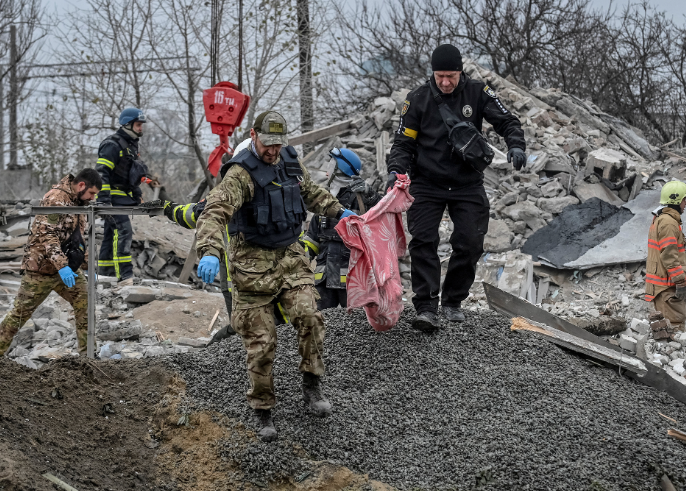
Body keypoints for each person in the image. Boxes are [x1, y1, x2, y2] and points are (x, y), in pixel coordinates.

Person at [195, 111, 356, 442]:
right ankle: (263, 409)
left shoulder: (290, 162)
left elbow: (312, 193)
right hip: (251, 267)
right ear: (254, 135)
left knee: (311, 316)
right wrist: (210, 251)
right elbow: (214, 212)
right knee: (263, 342)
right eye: (268, 144)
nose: (272, 151)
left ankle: (312, 385)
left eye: (278, 145)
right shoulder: (241, 174)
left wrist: (341, 213)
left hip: (290, 258)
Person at [387, 44, 526, 332]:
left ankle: (452, 301)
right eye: (440, 77)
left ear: (460, 72)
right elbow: (403, 144)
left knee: (470, 242)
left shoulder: (477, 92)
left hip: (467, 182)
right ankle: (425, 307)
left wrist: (516, 145)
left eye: (451, 76)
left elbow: (507, 120)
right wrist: (396, 171)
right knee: (424, 241)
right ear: (433, 74)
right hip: (427, 182)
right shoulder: (417, 100)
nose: (446, 82)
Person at [0, 170, 102, 356]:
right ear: (81, 186)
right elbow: (47, 235)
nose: (93, 198)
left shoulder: (79, 202)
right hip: (41, 269)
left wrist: (87, 267)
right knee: (19, 316)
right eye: (92, 193)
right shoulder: (55, 199)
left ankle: (89, 358)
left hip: (68, 270)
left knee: (85, 306)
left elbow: (77, 240)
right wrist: (62, 267)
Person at [302, 147, 382, 309]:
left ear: (341, 168)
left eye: (331, 162)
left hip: (353, 278)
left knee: (355, 325)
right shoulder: (324, 199)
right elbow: (313, 238)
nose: (328, 167)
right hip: (323, 278)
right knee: (321, 324)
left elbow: (383, 213)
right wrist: (299, 259)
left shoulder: (360, 198)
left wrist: (370, 194)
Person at [96, 107, 149, 286]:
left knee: (110, 234)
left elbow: (132, 175)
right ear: (127, 124)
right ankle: (124, 277)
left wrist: (138, 195)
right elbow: (101, 173)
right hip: (111, 197)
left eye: (141, 124)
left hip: (123, 197)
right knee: (123, 230)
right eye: (138, 124)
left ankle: (104, 274)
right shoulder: (112, 145)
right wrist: (104, 200)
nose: (141, 128)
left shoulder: (131, 146)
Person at [645, 181, 686, 330]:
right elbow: (669, 256)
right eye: (684, 200)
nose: (685, 204)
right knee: (674, 326)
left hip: (665, 284)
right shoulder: (668, 223)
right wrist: (681, 282)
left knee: (669, 325)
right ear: (676, 200)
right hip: (667, 286)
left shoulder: (664, 219)